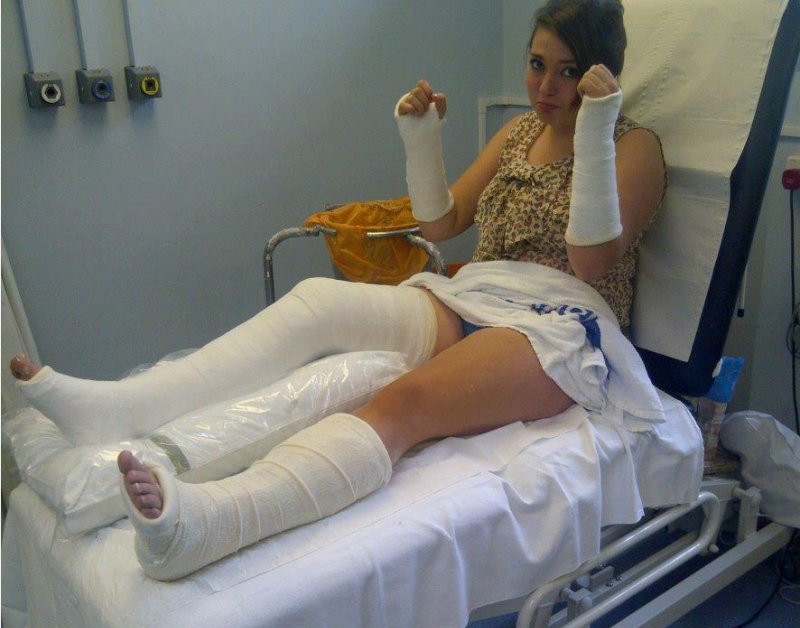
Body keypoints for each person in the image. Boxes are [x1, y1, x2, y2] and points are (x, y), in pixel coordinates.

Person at [10, 0, 666, 581]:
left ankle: (206, 523)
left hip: (559, 324)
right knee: (317, 302)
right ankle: (116, 409)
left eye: (566, 71)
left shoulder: (633, 147)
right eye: (536, 64)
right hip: (479, 293)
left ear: (600, 76)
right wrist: (421, 139)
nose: (545, 86)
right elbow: (441, 224)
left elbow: (587, 262)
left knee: (403, 401)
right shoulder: (520, 133)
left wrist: (595, 131)